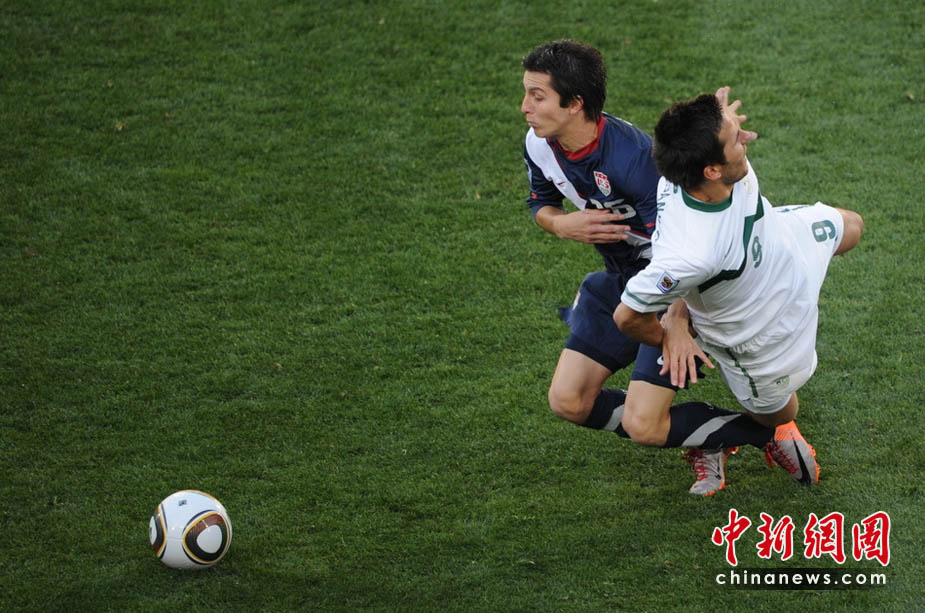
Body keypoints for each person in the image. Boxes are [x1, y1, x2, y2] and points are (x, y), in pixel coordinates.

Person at [520, 40, 778, 496]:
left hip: (675, 288)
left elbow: (684, 251)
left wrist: (676, 320)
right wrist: (561, 224)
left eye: (537, 96)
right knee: (568, 400)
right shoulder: (540, 144)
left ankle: (772, 431)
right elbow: (540, 201)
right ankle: (710, 435)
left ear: (575, 104)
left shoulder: (636, 162)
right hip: (624, 281)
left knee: (644, 424)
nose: (525, 107)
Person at [613, 87, 864, 491]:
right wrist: (670, 334)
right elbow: (627, 316)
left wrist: (723, 118)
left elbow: (712, 131)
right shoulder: (694, 252)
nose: (746, 140)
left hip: (785, 238)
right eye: (735, 140)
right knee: (781, 414)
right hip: (760, 329)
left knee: (852, 226)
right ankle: (715, 437)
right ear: (712, 171)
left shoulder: (703, 164)